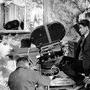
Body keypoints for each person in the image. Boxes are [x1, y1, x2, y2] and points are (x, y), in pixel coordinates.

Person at [56, 19, 90, 88]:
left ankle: (82, 80)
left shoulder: (88, 39)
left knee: (64, 66)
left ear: (86, 28)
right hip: (83, 62)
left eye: (81, 28)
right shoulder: (84, 36)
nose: (79, 30)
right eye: (79, 28)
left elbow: (87, 57)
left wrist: (88, 75)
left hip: (88, 66)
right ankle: (81, 79)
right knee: (63, 60)